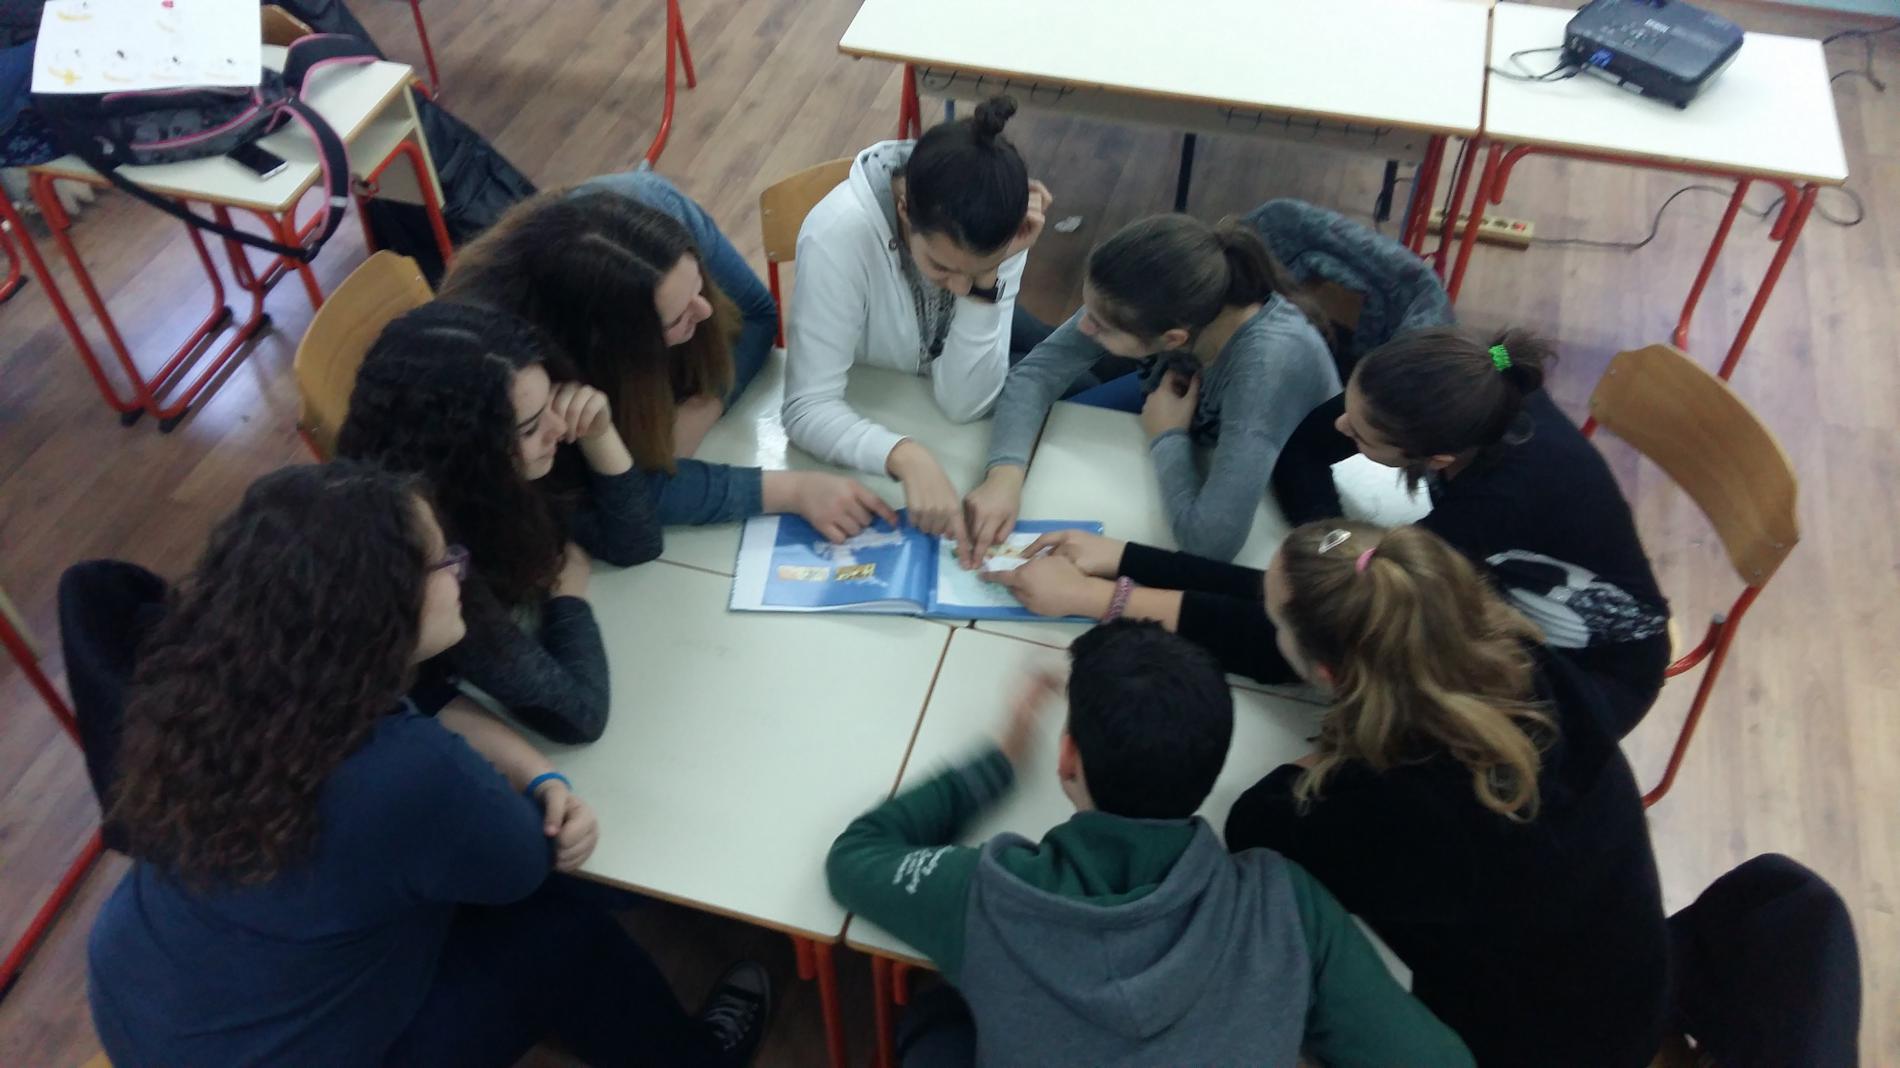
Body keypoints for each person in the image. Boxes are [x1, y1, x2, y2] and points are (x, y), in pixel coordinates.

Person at [88, 462, 771, 1068]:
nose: (458, 575)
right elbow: (522, 865)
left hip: (144, 1004)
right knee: (557, 926)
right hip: (282, 1049)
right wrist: (545, 786)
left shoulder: (225, 683)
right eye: (444, 563)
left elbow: (422, 720)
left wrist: (535, 772)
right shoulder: (403, 771)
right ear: (381, 605)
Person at [826, 619, 1475, 1068]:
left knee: (936, 1016)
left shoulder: (986, 893)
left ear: (1067, 757)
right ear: (1212, 769)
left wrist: (1001, 755)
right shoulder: (1284, 903)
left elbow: (857, 855)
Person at [1223, 521, 1669, 1067]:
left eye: (1275, 624)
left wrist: (1327, 759)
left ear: (1328, 674)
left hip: (1545, 1047)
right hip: (1631, 983)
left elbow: (1253, 825)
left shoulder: (1400, 806)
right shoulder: (1534, 664)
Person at [439, 178, 895, 543]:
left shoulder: (655, 210)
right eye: (676, 318)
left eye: (699, 286)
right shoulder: (519, 379)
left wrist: (705, 406)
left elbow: (755, 316)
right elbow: (615, 496)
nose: (706, 310)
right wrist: (789, 490)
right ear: (616, 346)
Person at [1272, 328, 1670, 736]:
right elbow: (1305, 449)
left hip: (1590, 675)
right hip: (1502, 601)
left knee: (1348, 658)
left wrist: (1328, 553)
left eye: (1359, 435)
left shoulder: (1494, 502)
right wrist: (1330, 538)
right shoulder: (1465, 393)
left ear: (1437, 458)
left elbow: (1352, 609)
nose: (1342, 424)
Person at [337, 302, 656, 743]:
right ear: (462, 452)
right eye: (528, 428)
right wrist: (567, 596)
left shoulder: (503, 473)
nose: (559, 428)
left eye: (551, 400)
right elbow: (577, 714)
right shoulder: (425, 558)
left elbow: (636, 542)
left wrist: (600, 433)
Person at [967, 213, 1338, 564]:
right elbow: (1036, 374)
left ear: (1173, 339)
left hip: (1240, 458)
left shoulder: (1264, 370)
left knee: (1063, 414)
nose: (1084, 327)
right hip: (1174, 408)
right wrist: (1004, 476)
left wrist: (1167, 436)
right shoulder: (1152, 292)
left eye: (1099, 325)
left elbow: (1212, 541)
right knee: (1058, 418)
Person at [784, 95, 1055, 544]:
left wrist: (990, 281)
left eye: (977, 269)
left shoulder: (1000, 229)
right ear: (905, 209)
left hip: (934, 380)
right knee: (1060, 366)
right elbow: (805, 407)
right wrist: (905, 455)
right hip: (890, 392)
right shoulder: (837, 237)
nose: (959, 287)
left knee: (1077, 373)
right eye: (942, 267)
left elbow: (965, 404)